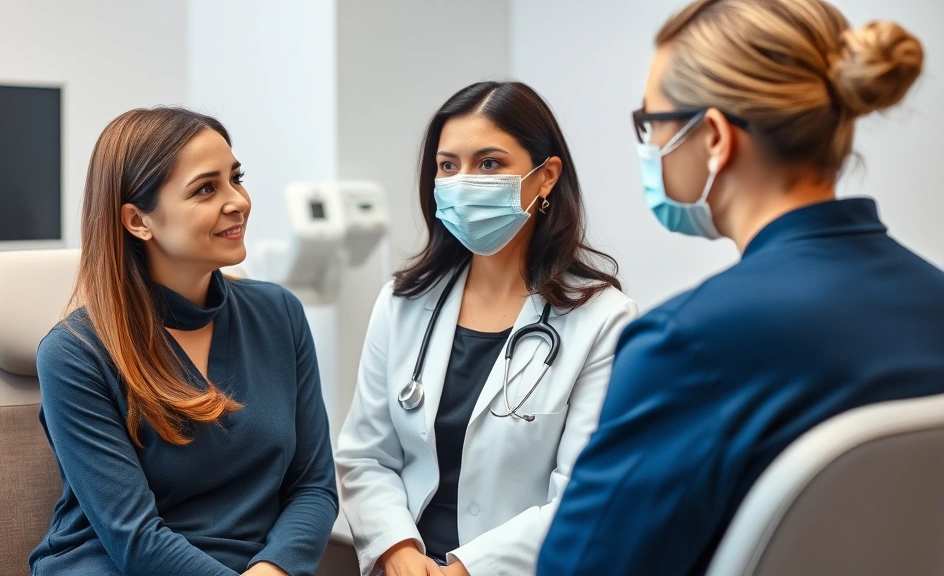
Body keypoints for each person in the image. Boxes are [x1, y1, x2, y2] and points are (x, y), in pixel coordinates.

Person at [537, 1, 944, 574]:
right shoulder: (934, 300)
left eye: (651, 125)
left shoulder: (687, 344)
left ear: (714, 139)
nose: (649, 148)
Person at [335, 81, 638, 576]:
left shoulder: (604, 320)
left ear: (546, 177)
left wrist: (466, 569)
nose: (463, 182)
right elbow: (366, 456)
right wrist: (398, 551)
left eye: (489, 163)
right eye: (448, 166)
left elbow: (585, 493)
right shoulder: (403, 301)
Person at [30, 107, 338, 576]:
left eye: (236, 178)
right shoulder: (74, 354)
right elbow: (133, 537)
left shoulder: (279, 314)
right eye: (206, 189)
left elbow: (314, 487)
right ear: (138, 221)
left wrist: (274, 568)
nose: (238, 201)